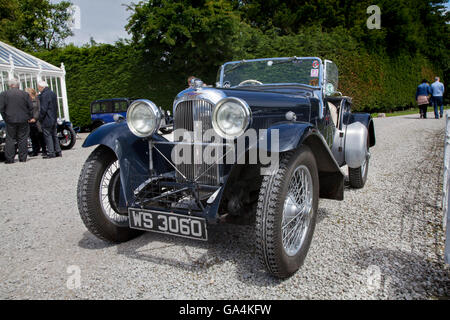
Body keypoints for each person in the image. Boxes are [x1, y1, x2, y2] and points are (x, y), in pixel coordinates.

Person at [0, 78, 33, 163]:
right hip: (23, 119)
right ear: (18, 85)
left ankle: (10, 159)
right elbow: (30, 107)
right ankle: (23, 158)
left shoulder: (4, 94)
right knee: (23, 138)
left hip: (10, 119)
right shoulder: (25, 94)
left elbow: (1, 108)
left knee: (10, 139)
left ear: (10, 85)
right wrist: (29, 117)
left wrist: (5, 118)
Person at [38, 81, 61, 159]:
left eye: (38, 87)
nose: (38, 89)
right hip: (54, 117)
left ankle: (51, 152)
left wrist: (40, 118)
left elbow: (43, 109)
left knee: (48, 136)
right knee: (54, 135)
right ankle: (58, 151)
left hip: (47, 118)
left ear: (41, 87)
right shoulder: (52, 93)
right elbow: (56, 106)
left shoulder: (44, 95)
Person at [25, 88, 45, 156]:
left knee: (40, 135)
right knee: (32, 136)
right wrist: (28, 118)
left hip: (37, 120)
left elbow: (39, 110)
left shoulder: (37, 99)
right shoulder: (27, 100)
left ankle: (44, 150)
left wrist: (35, 118)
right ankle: (35, 150)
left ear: (30, 93)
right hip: (30, 120)